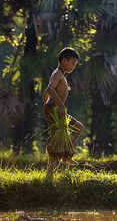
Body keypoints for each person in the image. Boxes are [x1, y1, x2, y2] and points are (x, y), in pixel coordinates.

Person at [42, 47, 84, 175]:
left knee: (78, 127)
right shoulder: (58, 74)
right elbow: (50, 88)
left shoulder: (61, 75)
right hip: (55, 110)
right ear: (64, 61)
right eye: (72, 63)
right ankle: (50, 175)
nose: (73, 66)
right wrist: (59, 106)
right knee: (57, 145)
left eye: (75, 64)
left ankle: (65, 153)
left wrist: (48, 106)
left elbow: (45, 94)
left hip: (54, 110)